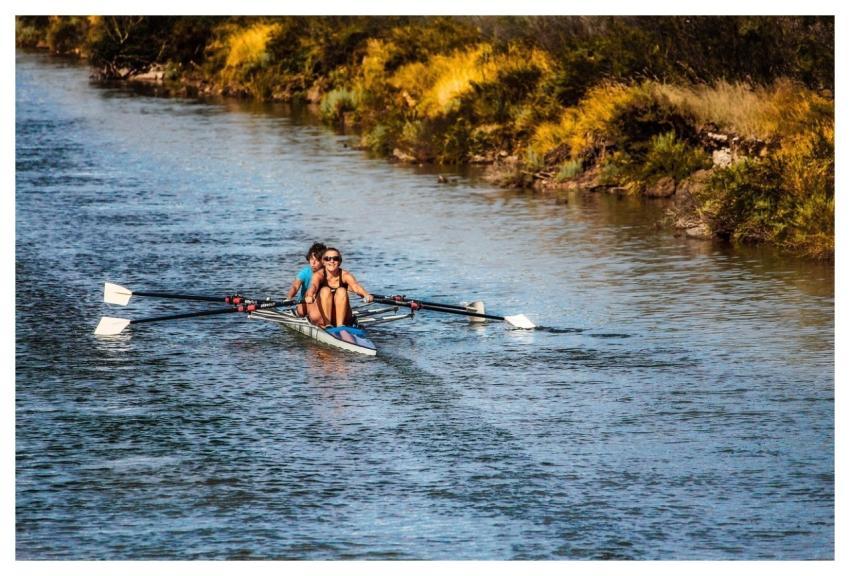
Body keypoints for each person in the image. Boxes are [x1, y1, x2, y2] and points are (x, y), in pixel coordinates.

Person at [303, 247, 373, 327]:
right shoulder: (319, 275)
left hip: (342, 318)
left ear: (339, 262)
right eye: (327, 258)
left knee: (341, 290)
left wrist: (366, 295)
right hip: (321, 317)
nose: (331, 261)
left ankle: (340, 326)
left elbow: (356, 286)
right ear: (323, 262)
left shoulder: (345, 275)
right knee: (325, 290)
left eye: (335, 258)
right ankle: (328, 324)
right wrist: (309, 295)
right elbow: (313, 286)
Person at [286, 242, 326, 317]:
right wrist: (289, 297)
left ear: (323, 262)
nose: (313, 263)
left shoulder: (328, 273)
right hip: (304, 304)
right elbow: (295, 286)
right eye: (311, 259)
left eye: (316, 260)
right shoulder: (305, 272)